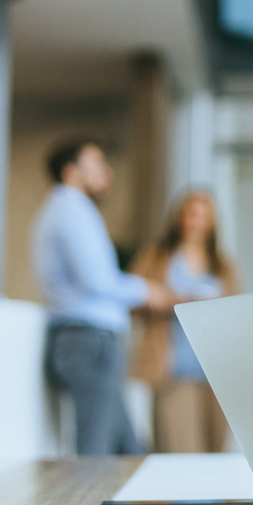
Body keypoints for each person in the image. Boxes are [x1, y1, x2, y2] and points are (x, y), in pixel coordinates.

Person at [32, 139, 170, 455]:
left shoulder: (66, 210)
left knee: (127, 449)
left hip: (88, 339)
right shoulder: (71, 210)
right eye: (96, 165)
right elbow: (97, 280)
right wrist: (147, 291)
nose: (107, 172)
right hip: (88, 339)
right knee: (96, 452)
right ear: (70, 172)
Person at [131, 190, 240, 453]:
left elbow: (236, 314)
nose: (195, 221)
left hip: (215, 374)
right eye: (190, 213)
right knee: (180, 452)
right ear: (178, 217)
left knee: (214, 452)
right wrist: (172, 300)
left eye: (203, 215)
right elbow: (133, 297)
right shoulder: (156, 257)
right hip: (174, 371)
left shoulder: (223, 265)